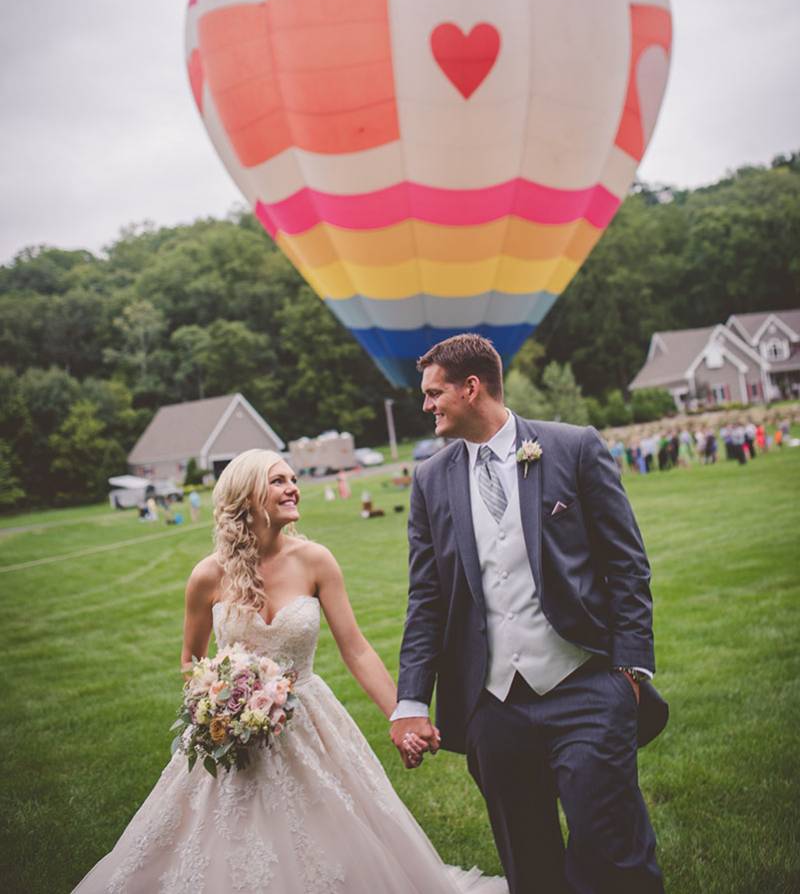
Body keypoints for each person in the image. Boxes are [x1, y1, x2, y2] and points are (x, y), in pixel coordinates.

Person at [72, 449, 505, 894]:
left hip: (309, 721)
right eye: (278, 481)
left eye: (293, 479)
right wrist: (220, 706)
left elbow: (356, 650)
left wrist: (402, 715)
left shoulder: (315, 560)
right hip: (232, 733)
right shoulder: (207, 576)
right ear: (247, 494)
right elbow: (191, 661)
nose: (293, 488)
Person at [391, 334, 667, 894]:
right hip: (493, 706)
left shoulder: (573, 447)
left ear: (472, 388)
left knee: (613, 849)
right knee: (529, 864)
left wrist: (630, 671)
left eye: (434, 393)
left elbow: (627, 564)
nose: (426, 405)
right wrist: (412, 701)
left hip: (585, 683)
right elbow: (427, 598)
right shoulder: (430, 479)